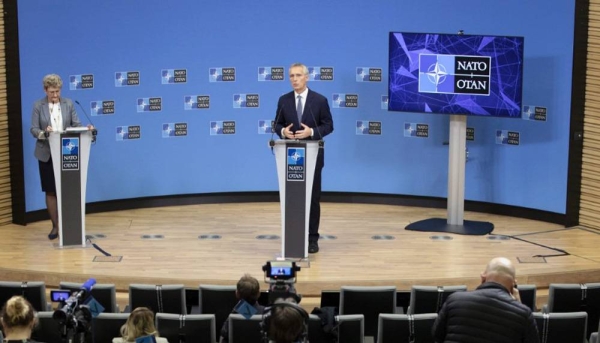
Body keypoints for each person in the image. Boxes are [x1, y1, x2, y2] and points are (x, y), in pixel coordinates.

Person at [274, 63, 334, 254]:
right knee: (293, 198)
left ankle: (312, 238)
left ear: (306, 77)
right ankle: (294, 236)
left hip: (313, 155)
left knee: (312, 198)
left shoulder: (319, 100)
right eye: (291, 76)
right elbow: (277, 124)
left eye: (298, 75)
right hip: (290, 156)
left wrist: (312, 132)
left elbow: (329, 125)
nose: (294, 79)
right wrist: (283, 132)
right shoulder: (283, 100)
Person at [29, 74, 92, 240]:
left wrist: (87, 128)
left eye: (57, 91)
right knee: (50, 190)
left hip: (66, 153)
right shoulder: (38, 105)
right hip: (46, 153)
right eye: (51, 92)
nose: (55, 95)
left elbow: (76, 125)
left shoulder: (68, 104)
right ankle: (55, 226)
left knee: (67, 190)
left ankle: (69, 226)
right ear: (45, 90)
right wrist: (44, 132)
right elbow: (34, 129)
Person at [432, 257, 539, 343]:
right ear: (513, 285)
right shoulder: (524, 314)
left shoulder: (454, 300)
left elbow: (436, 335)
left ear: (483, 278)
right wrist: (518, 304)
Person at [220, 274, 265, 343]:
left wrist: (236, 308)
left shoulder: (236, 313)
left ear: (237, 294)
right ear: (259, 294)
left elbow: (224, 332)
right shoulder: (266, 312)